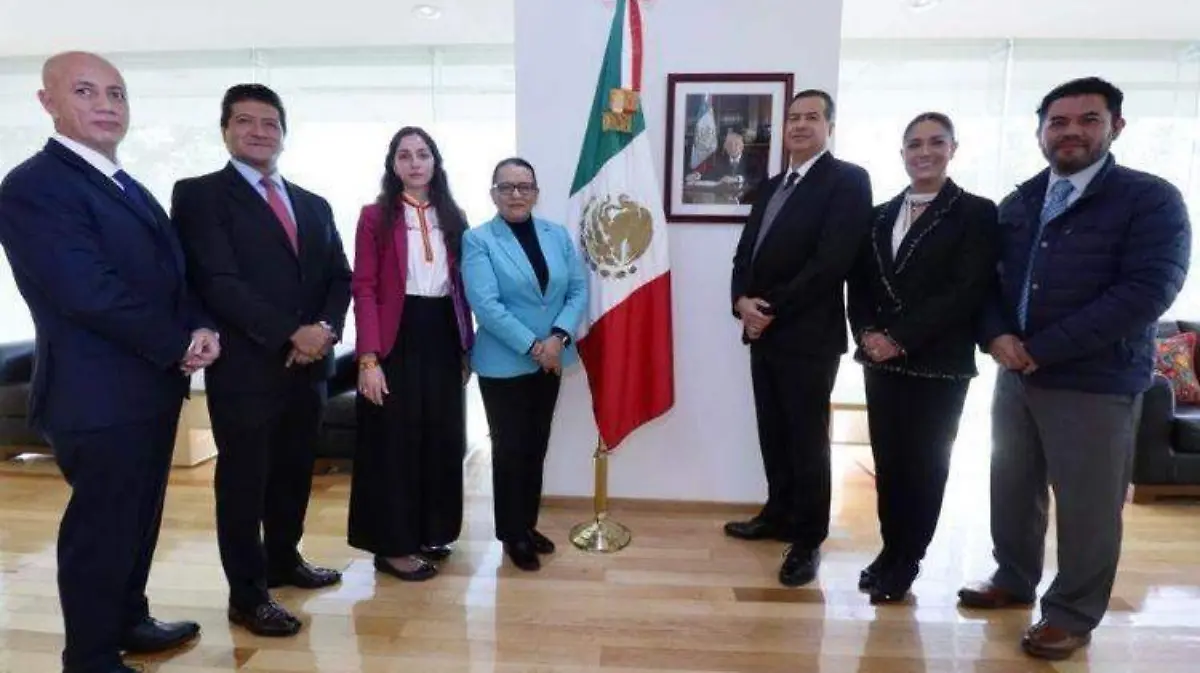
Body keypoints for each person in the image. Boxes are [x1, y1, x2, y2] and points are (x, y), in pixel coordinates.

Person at [959, 77, 1190, 660]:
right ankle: (1014, 577)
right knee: (1012, 488)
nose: (1071, 132)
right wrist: (997, 336)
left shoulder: (1150, 200)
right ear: (1041, 132)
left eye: (1088, 120)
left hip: (1096, 381)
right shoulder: (1021, 202)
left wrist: (1046, 347)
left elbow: (1146, 291)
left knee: (1088, 505)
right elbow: (987, 283)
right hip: (1017, 373)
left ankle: (1071, 613)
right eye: (1058, 122)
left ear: (1116, 127)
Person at [0, 51, 215, 673]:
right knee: (101, 529)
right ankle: (90, 656)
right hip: (96, 395)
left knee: (138, 519)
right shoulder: (34, 186)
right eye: (86, 91)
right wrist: (177, 343)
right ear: (48, 103)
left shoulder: (124, 183)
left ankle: (128, 620)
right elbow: (87, 291)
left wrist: (198, 325)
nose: (105, 105)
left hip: (149, 387)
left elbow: (173, 274)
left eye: (116, 93)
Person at [171, 84, 352, 637]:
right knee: (244, 482)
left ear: (283, 134)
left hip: (308, 368)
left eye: (269, 123)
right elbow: (217, 280)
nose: (258, 131)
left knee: (294, 472)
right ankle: (248, 597)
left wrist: (324, 331)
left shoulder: (313, 203)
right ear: (225, 130)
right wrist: (289, 333)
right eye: (245, 121)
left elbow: (339, 277)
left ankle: (283, 560)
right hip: (246, 369)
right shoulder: (199, 195)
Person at [846, 112, 998, 604]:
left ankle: (908, 559)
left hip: (938, 362)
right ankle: (890, 549)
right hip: (880, 361)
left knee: (925, 466)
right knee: (889, 463)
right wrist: (868, 334)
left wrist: (900, 337)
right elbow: (859, 285)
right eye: (914, 144)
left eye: (935, 142)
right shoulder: (878, 215)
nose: (924, 152)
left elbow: (966, 289)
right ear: (902, 153)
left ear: (953, 149)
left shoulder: (975, 212)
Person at [725, 89, 873, 587]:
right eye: (793, 117)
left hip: (808, 335)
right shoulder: (771, 186)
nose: (800, 125)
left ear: (830, 126)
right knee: (773, 432)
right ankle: (778, 514)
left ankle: (807, 540)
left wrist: (770, 309)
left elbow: (832, 262)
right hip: (762, 333)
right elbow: (744, 254)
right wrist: (741, 301)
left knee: (808, 441)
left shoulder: (847, 180)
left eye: (812, 116)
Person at [347, 126, 474, 582]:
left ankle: (429, 531)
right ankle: (393, 546)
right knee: (393, 443)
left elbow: (462, 287)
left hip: (443, 333)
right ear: (393, 164)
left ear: (435, 161)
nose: (415, 163)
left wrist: (466, 346)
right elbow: (363, 287)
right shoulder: (374, 217)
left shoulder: (454, 216)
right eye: (405, 155)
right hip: (394, 336)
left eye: (423, 154)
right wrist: (369, 359)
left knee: (440, 437)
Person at [461, 157, 587, 572]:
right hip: (504, 364)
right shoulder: (479, 240)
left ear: (536, 192)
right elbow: (486, 305)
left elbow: (577, 289)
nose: (516, 194)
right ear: (493, 193)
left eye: (524, 186)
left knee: (536, 445)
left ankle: (527, 524)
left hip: (551, 359)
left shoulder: (556, 234)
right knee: (510, 450)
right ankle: (512, 534)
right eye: (507, 186)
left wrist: (559, 337)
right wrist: (535, 346)